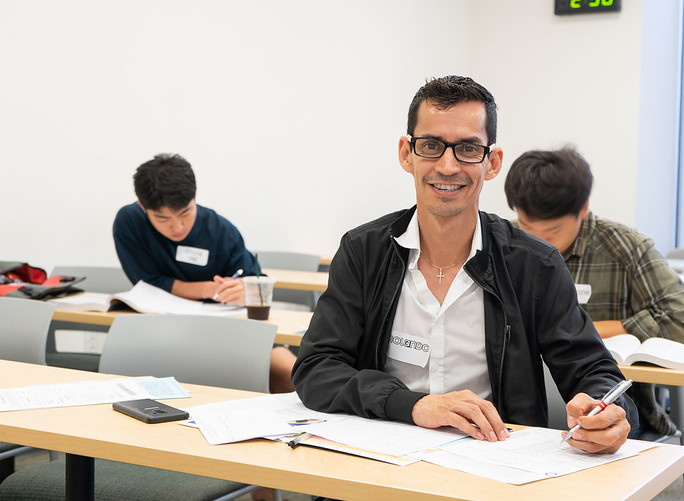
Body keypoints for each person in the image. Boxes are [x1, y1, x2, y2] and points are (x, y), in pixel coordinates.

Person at [291, 76, 637, 452]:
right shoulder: (364, 251)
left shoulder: (535, 265)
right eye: (431, 146)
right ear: (406, 153)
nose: (447, 166)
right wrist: (413, 405)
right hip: (382, 456)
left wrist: (606, 410)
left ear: (493, 162)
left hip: (496, 461)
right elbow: (316, 368)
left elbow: (594, 372)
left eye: (468, 149)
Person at [503, 146, 684, 437]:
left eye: (552, 232)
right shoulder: (506, 244)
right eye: (526, 227)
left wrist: (587, 330)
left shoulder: (625, 248)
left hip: (611, 408)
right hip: (518, 411)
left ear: (582, 209)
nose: (538, 242)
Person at [113, 153, 296, 395]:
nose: (177, 227)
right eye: (162, 218)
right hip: (160, 330)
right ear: (142, 207)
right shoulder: (130, 222)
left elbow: (255, 283)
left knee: (293, 373)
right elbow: (149, 283)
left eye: (185, 213)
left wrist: (243, 291)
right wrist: (208, 289)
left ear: (194, 197)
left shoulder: (220, 230)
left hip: (227, 330)